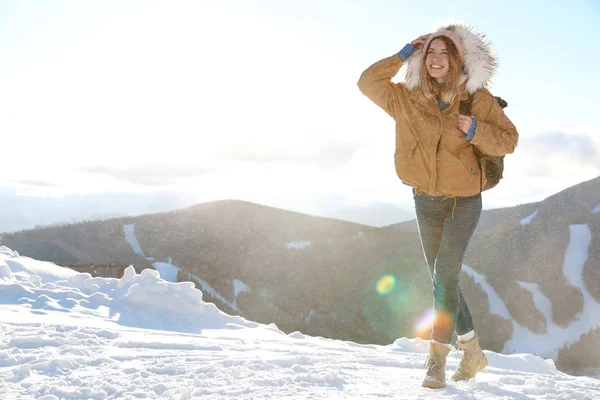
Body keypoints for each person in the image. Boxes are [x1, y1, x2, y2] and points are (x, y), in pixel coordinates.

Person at [357, 24, 518, 389]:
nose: (436, 59)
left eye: (445, 53)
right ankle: (473, 351)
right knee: (442, 281)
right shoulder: (406, 98)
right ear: (422, 59)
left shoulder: (475, 99)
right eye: (430, 52)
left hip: (464, 201)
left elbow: (509, 140)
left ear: (457, 59)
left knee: (443, 277)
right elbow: (367, 82)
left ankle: (436, 361)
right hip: (424, 201)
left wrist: (476, 128)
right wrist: (401, 55)